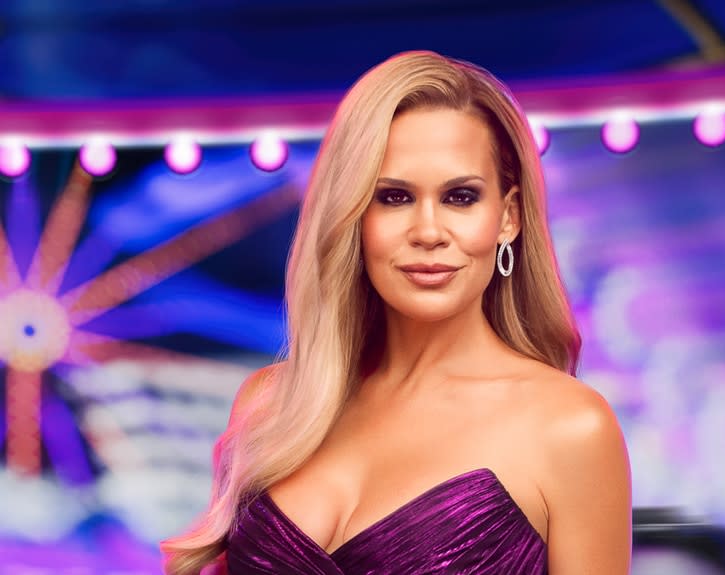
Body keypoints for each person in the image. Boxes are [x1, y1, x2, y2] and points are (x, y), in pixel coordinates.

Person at [161, 50, 631, 574]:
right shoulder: (271, 406)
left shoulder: (569, 428)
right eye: (393, 197)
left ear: (508, 218)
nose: (428, 232)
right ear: (353, 216)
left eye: (459, 197)